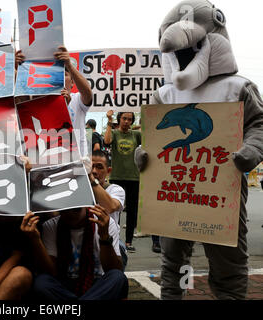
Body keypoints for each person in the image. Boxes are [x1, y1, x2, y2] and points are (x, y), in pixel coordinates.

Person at [135, 0, 263, 300]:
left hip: (220, 195)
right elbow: (154, 136)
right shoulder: (165, 93)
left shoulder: (238, 86)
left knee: (227, 261)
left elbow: (259, 123)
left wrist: (251, 150)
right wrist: (144, 153)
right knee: (174, 261)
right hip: (174, 193)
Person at [21, 205, 128, 300]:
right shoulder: (52, 226)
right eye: (65, 210)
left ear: (86, 206)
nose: (70, 214)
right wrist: (36, 240)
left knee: (118, 277)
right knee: (41, 282)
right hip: (64, 284)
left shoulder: (103, 223)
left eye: (76, 209)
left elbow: (114, 269)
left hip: (96, 282)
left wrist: (104, 237)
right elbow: (51, 271)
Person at [16, 46, 93, 158]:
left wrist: (69, 65)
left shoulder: (77, 100)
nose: (60, 78)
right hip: (47, 162)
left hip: (77, 165)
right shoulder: (36, 101)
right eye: (56, 74)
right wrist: (18, 68)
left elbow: (87, 93)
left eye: (65, 74)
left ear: (72, 82)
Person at [103, 110, 141, 253]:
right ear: (119, 119)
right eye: (124, 118)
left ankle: (129, 241)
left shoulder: (136, 135)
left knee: (132, 211)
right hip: (117, 176)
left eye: (130, 119)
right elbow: (106, 141)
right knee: (115, 210)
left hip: (133, 177)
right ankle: (116, 238)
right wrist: (108, 121)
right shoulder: (114, 133)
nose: (127, 122)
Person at [88, 150, 128, 269]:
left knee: (115, 276)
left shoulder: (116, 190)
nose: (94, 171)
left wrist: (91, 179)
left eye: (99, 167)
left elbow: (109, 206)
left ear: (108, 171)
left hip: (108, 240)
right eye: (91, 167)